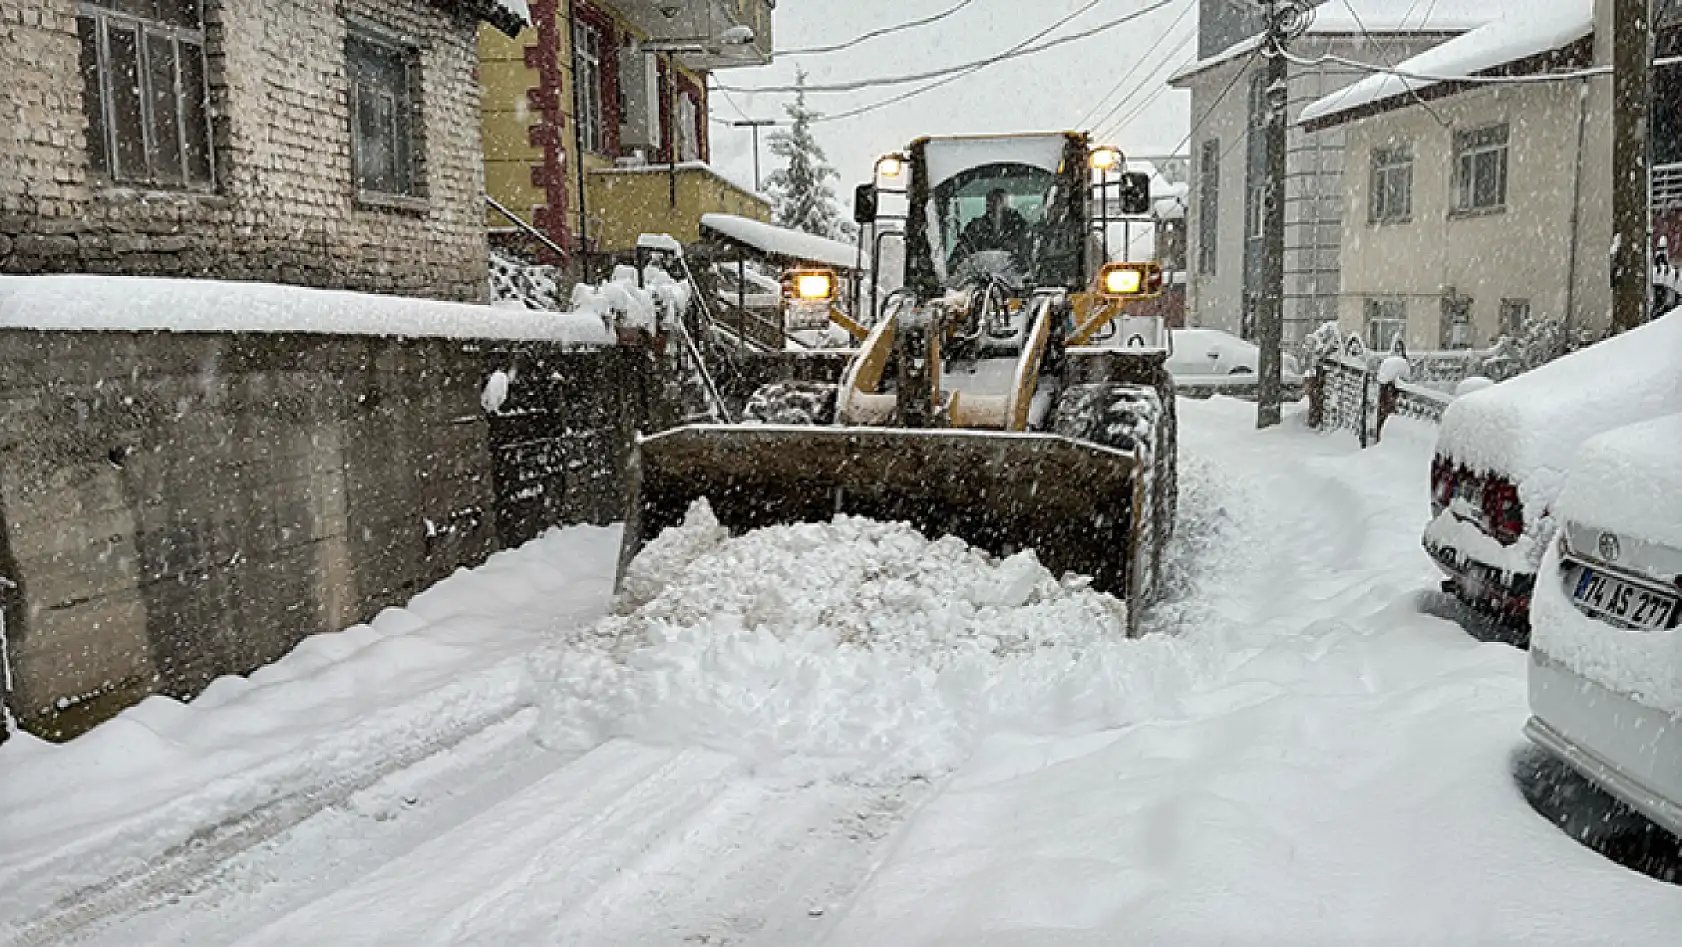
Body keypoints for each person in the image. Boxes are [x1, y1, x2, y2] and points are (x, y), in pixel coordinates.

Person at [954, 188, 1030, 269]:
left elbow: (1031, 260)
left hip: (1016, 279)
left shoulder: (1021, 228)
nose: (992, 206)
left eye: (997, 201)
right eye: (989, 202)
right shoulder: (975, 229)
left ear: (1006, 204)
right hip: (979, 278)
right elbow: (958, 256)